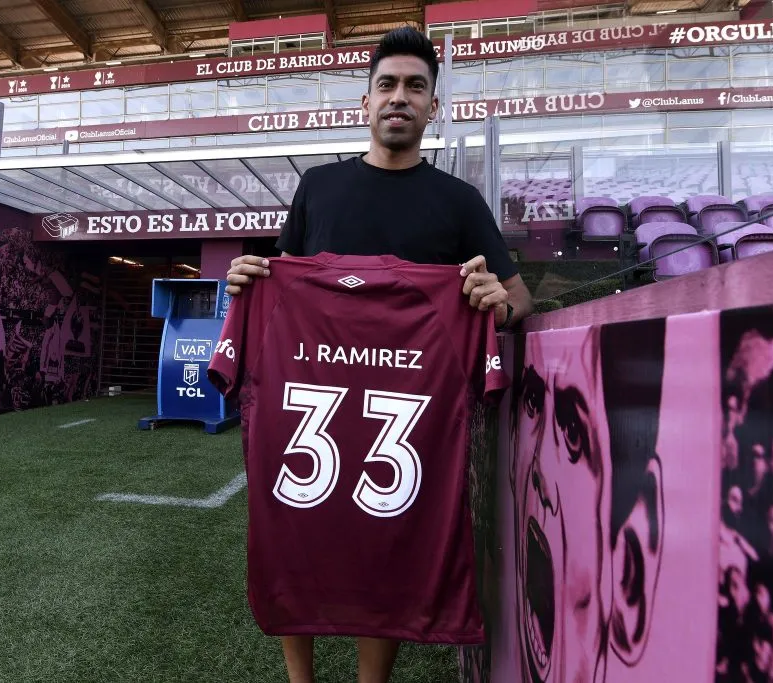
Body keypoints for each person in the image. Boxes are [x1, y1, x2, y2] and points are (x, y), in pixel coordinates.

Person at [223, 25, 534, 683]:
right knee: (297, 527)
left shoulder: (458, 202)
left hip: (407, 403)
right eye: (387, 85)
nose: (400, 97)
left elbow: (518, 299)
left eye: (415, 87)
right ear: (365, 103)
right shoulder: (319, 187)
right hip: (312, 392)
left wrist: (494, 301)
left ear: (433, 107)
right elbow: (282, 280)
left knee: (385, 539)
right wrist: (250, 281)